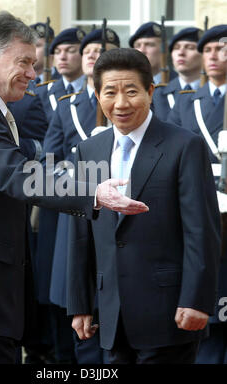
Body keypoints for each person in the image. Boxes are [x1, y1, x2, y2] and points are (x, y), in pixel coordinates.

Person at [0, 12, 147, 365]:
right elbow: (18, 175)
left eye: (34, 64)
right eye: (24, 62)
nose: (33, 73)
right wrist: (93, 193)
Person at [67, 47, 221, 364]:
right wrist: (80, 303)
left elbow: (201, 230)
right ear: (97, 94)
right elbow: (81, 233)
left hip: (169, 313)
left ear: (151, 91)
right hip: (110, 315)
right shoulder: (89, 150)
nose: (121, 103)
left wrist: (196, 300)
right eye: (110, 92)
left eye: (132, 91)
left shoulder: (184, 145)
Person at [38, 27, 120, 364]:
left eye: (101, 49)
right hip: (78, 206)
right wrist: (80, 180)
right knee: (73, 296)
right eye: (86, 49)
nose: (90, 53)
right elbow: (48, 162)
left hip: (117, 205)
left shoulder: (122, 101)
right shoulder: (66, 105)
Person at [168, 24, 227, 364]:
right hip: (203, 207)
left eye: (221, 49)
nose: (214, 56)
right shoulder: (187, 103)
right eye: (207, 51)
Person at [36, 27, 86, 122]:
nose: (62, 57)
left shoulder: (94, 90)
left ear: (84, 54)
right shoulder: (42, 93)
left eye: (70, 51)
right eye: (57, 52)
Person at [153, 27, 203, 121]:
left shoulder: (215, 93)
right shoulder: (158, 94)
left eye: (190, 47)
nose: (181, 52)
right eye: (176, 48)